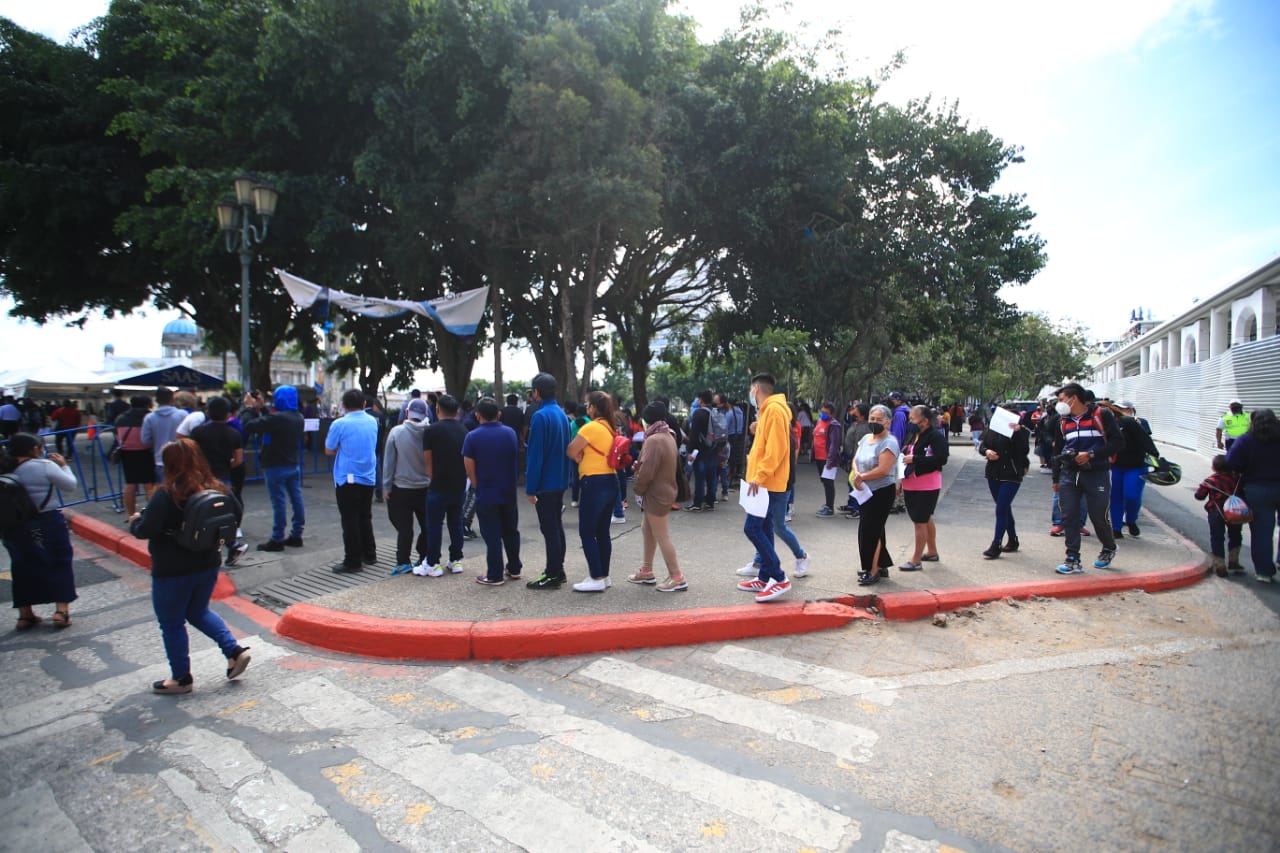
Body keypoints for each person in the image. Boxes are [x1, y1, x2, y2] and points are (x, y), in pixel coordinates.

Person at [128, 438, 250, 694]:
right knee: (198, 611)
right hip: (207, 563)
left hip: (172, 569)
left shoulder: (166, 494)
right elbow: (236, 514)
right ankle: (234, 651)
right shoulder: (217, 487)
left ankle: (181, 678)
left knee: (171, 623)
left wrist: (135, 521)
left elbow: (146, 529)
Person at [2, 434, 78, 630]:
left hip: (13, 525)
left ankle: (25, 615)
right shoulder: (43, 466)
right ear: (34, 449)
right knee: (58, 560)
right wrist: (64, 466)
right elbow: (70, 485)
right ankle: (61, 611)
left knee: (21, 565)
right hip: (45, 520)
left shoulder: (4, 467)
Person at [1052, 383, 1124, 575]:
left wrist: (1091, 454)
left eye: (1060, 399)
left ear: (1072, 398)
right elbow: (1057, 450)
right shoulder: (1062, 421)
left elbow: (1118, 442)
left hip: (1096, 472)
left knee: (1098, 516)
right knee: (1069, 516)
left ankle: (1109, 547)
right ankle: (1072, 559)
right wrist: (1056, 477)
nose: (1058, 404)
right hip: (1069, 473)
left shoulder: (1101, 415)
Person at [735, 373, 793, 603]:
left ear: (756, 388)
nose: (750, 393)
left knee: (752, 528)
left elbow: (775, 451)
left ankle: (778, 577)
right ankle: (765, 575)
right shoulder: (768, 410)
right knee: (765, 528)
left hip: (767, 482)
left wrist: (759, 476)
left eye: (751, 389)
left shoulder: (775, 410)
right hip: (762, 481)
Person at [566, 390, 622, 592]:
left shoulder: (591, 428)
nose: (587, 408)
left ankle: (596, 577)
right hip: (610, 480)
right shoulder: (610, 427)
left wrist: (579, 457)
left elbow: (571, 449)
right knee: (602, 532)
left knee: (587, 532)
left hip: (593, 482)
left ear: (593, 408)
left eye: (588, 404)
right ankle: (603, 575)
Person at [463, 398, 522, 585]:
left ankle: (494, 573)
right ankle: (514, 567)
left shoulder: (472, 437)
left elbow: (469, 465)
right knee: (510, 531)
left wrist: (476, 484)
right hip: (508, 490)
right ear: (499, 414)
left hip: (487, 491)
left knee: (492, 534)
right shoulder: (510, 433)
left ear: (477, 414)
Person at [629, 400, 685, 591]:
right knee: (648, 530)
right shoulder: (668, 434)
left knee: (661, 536)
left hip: (656, 494)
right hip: (663, 491)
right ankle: (646, 571)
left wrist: (637, 488)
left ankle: (677, 576)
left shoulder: (653, 440)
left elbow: (647, 472)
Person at [523, 373, 572, 590]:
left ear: (537, 392)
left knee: (550, 528)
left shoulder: (540, 416)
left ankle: (553, 573)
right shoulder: (561, 414)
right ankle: (557, 570)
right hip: (559, 479)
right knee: (555, 527)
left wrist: (531, 487)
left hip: (546, 482)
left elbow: (535, 456)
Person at [242, 385, 306, 551]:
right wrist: (262, 407)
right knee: (296, 498)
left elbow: (250, 425)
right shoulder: (298, 416)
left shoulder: (278, 418)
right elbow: (269, 423)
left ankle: (277, 538)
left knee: (279, 501)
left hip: (275, 465)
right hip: (292, 463)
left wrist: (249, 408)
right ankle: (296, 534)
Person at [325, 388, 379, 573]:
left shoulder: (340, 424)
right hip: (368, 475)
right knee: (365, 516)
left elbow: (329, 449)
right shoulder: (373, 421)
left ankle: (353, 561)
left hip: (347, 477)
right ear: (364, 404)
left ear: (344, 405)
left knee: (350, 520)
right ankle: (369, 554)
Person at [190, 396, 248, 565]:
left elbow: (191, 454)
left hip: (201, 477)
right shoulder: (233, 434)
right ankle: (230, 544)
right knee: (223, 513)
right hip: (222, 478)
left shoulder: (198, 432)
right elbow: (238, 460)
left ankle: (209, 547)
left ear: (208, 412)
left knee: (199, 513)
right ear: (228, 414)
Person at [1225, 408, 1280, 584]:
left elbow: (1232, 462)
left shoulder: (1246, 440)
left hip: (1257, 489)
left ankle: (1264, 572)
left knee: (1262, 532)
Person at [419, 394, 469, 577]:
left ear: (437, 409)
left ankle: (432, 562)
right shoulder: (464, 430)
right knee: (456, 523)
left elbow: (428, 459)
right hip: (459, 483)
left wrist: (432, 478)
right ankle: (456, 560)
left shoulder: (431, 431)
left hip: (438, 484)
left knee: (434, 525)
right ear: (457, 411)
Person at [851, 405, 900, 585]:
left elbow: (884, 469)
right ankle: (881, 564)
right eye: (872, 419)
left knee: (870, 531)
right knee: (873, 529)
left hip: (881, 491)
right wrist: (857, 474)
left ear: (888, 422)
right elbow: (856, 460)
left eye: (879, 420)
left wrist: (862, 476)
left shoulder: (890, 442)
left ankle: (872, 570)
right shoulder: (865, 438)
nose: (874, 422)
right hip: (864, 490)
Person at [382, 397, 431, 576]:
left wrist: (386, 487)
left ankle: (403, 562)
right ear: (426, 414)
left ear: (408, 412)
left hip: (400, 488)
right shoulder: (431, 432)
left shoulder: (396, 432)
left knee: (404, 528)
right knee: (427, 526)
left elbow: (389, 462)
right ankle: (424, 557)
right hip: (426, 488)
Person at [977, 406, 1030, 559]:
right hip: (993, 472)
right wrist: (986, 452)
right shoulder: (992, 428)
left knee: (1001, 508)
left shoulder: (1021, 431)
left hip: (1011, 473)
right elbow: (982, 445)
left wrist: (1018, 432)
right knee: (1004, 508)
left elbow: (1023, 450)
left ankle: (996, 544)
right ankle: (1013, 540)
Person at [899, 405, 949, 569]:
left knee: (919, 521)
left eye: (913, 419)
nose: (910, 422)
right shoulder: (913, 434)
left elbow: (941, 458)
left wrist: (916, 459)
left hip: (926, 484)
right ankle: (932, 551)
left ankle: (916, 560)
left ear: (925, 421)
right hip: (910, 482)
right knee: (925, 518)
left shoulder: (935, 436)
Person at [1109, 400, 1158, 539]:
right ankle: (1116, 527)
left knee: (1132, 496)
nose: (1120, 410)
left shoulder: (1138, 422)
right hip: (1117, 465)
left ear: (1131, 409)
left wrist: (1155, 458)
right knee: (1115, 497)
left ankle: (1131, 520)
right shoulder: (1112, 423)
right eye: (1118, 407)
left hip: (1136, 466)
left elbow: (1146, 440)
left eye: (1124, 408)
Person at [1194, 455, 1244, 577]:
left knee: (1217, 537)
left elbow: (1199, 496)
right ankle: (1234, 561)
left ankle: (1219, 565)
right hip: (1234, 512)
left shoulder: (1210, 481)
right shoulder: (1237, 479)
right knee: (1236, 535)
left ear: (1213, 467)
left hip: (1216, 512)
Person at [114, 395, 156, 514]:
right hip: (146, 453)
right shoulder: (149, 417)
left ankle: (131, 515)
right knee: (148, 484)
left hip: (127, 454)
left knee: (130, 483)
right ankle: (152, 514)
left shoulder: (121, 418)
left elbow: (117, 437)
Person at [141, 388, 187, 485]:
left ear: (156, 400)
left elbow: (145, 441)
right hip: (181, 458)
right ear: (172, 399)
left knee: (164, 492)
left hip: (160, 460)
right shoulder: (183, 415)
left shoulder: (149, 418)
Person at [685, 389, 718, 513]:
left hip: (700, 450)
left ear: (701, 400)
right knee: (711, 477)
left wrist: (691, 451)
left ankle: (697, 503)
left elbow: (694, 435)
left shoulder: (698, 413)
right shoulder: (715, 412)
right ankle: (710, 502)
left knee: (699, 477)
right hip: (713, 449)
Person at [840, 402, 870, 516]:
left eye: (856, 413)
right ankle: (852, 504)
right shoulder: (856, 424)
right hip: (850, 457)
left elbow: (859, 446)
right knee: (850, 482)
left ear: (862, 416)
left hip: (857, 459)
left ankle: (857, 508)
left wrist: (855, 458)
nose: (853, 414)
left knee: (855, 482)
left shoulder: (864, 428)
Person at [813, 402, 842, 517]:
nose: (823, 414)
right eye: (822, 411)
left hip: (827, 459)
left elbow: (834, 444)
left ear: (831, 414)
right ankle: (827, 504)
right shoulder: (820, 421)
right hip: (819, 457)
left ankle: (830, 508)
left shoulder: (834, 425)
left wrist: (830, 461)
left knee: (829, 483)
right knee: (825, 482)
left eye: (826, 413)